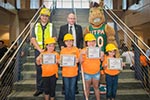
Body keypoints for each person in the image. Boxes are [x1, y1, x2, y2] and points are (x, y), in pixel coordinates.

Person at [31, 7, 57, 96]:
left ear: (48, 17)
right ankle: (39, 88)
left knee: (48, 69)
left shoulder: (51, 26)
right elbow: (33, 39)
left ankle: (48, 88)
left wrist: (46, 50)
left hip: (49, 51)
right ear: (40, 16)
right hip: (38, 51)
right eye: (43, 16)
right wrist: (40, 50)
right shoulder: (35, 25)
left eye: (46, 16)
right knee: (39, 69)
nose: (44, 17)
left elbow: (54, 38)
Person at [58, 12, 83, 94]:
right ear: (67, 19)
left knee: (75, 71)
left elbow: (81, 39)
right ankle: (64, 88)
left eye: (73, 18)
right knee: (65, 71)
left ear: (75, 19)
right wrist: (62, 46)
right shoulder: (63, 28)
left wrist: (79, 48)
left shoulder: (79, 28)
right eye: (70, 18)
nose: (72, 20)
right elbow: (60, 39)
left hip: (75, 52)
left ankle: (74, 88)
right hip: (66, 52)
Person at [80, 33, 101, 100]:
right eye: (89, 41)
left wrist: (102, 55)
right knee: (87, 88)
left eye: (93, 41)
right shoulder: (83, 50)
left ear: (95, 42)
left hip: (96, 72)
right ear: (86, 43)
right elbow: (80, 62)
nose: (91, 43)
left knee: (96, 87)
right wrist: (81, 54)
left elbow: (102, 60)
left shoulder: (98, 50)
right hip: (87, 73)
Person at [59, 33, 80, 100]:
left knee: (72, 89)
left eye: (70, 41)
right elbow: (60, 61)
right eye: (67, 41)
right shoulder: (63, 50)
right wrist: (60, 62)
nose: (69, 42)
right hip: (65, 73)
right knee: (67, 89)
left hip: (74, 73)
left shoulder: (76, 49)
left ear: (73, 42)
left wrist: (78, 60)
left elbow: (80, 59)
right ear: (64, 42)